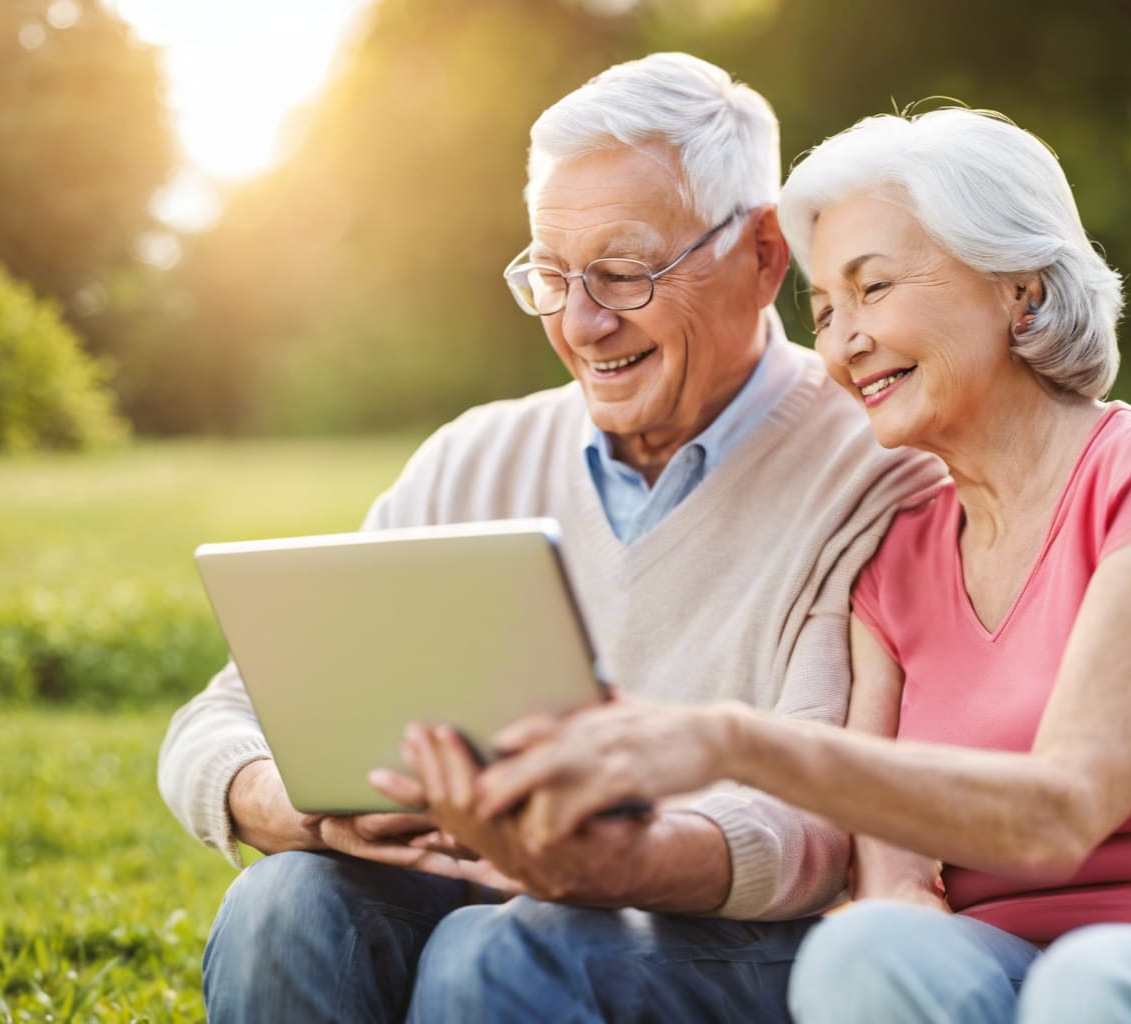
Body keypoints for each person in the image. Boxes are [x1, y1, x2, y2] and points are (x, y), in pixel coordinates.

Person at [445, 108, 1131, 1022]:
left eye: (872, 288)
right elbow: (897, 884)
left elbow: (1061, 809)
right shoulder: (898, 556)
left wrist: (729, 741)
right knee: (859, 950)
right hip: (1020, 986)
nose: (841, 343)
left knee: (1093, 981)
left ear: (1020, 292)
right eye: (823, 309)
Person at [155, 54, 946, 1023]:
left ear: (761, 254)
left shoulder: (875, 466)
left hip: (740, 941)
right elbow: (218, 720)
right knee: (283, 904)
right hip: (494, 900)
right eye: (551, 274)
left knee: (499, 955)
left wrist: (619, 859)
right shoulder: (473, 457)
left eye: (622, 272)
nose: (580, 321)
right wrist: (297, 808)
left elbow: (829, 812)